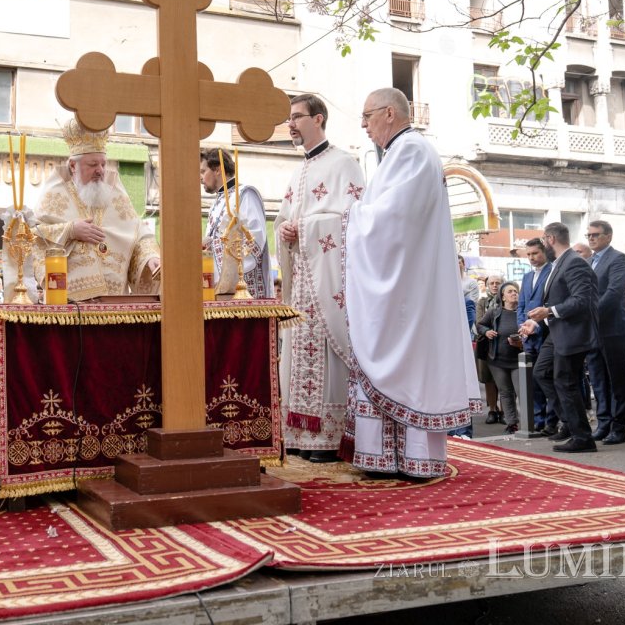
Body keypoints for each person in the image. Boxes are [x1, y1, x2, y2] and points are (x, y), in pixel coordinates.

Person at [340, 88, 479, 478]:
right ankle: (389, 458)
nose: (364, 126)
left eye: (367, 116)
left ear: (389, 113)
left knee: (405, 362)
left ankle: (411, 458)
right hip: (403, 284)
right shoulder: (398, 154)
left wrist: (348, 217)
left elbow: (393, 220)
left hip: (408, 290)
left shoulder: (412, 150)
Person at [275, 93, 366, 463]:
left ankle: (328, 439)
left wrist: (307, 228)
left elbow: (356, 220)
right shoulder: (297, 173)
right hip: (301, 285)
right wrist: (284, 230)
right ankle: (298, 434)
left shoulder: (345, 163)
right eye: (290, 118)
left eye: (297, 117)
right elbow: (283, 218)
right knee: (296, 358)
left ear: (319, 118)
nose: (291, 124)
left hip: (330, 284)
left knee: (329, 358)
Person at [27, 119, 161, 301]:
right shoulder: (56, 191)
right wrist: (70, 230)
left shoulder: (115, 190)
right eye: (92, 165)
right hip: (71, 304)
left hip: (115, 304)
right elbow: (34, 237)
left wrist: (150, 256)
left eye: (103, 164)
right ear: (73, 166)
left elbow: (138, 233)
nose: (100, 171)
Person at [519, 222, 599, 453]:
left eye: (543, 241)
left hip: (573, 333)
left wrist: (549, 312)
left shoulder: (574, 262)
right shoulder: (559, 263)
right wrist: (537, 320)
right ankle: (572, 424)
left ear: (550, 239)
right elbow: (556, 300)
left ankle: (582, 437)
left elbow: (582, 300)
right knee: (542, 373)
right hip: (558, 331)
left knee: (566, 381)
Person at [584, 220, 625, 445]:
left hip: (613, 328)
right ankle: (603, 422)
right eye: (589, 235)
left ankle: (619, 426)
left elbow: (614, 292)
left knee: (617, 379)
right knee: (598, 379)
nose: (591, 238)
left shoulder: (618, 259)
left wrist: (590, 315)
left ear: (608, 236)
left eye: (595, 235)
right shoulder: (589, 261)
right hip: (592, 331)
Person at [200, 147, 272, 297]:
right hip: (219, 290)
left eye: (202, 172)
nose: (200, 178)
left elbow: (255, 240)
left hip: (245, 290)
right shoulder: (215, 205)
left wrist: (230, 276)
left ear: (218, 170)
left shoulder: (245, 194)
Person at [518, 238, 555, 433]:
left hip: (547, 333)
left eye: (535, 253)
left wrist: (536, 326)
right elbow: (521, 305)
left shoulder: (552, 272)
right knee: (532, 380)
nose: (532, 257)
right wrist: (522, 327)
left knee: (546, 377)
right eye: (529, 254)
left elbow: (549, 305)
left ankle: (552, 421)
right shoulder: (526, 277)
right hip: (528, 336)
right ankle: (538, 420)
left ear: (544, 252)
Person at [478, 281, 524, 433]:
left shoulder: (523, 312)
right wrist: (486, 332)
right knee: (505, 392)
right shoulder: (494, 312)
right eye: (510, 291)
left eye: (515, 291)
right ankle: (512, 423)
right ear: (503, 297)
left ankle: (531, 422)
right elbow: (480, 325)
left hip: (519, 360)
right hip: (497, 360)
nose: (514, 293)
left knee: (521, 391)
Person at [474, 274, 504, 424]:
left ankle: (506, 411)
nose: (494, 285)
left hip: (504, 344)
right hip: (486, 345)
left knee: (505, 380)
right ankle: (492, 409)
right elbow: (479, 322)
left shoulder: (507, 300)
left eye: (497, 283)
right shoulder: (482, 302)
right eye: (491, 283)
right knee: (488, 380)